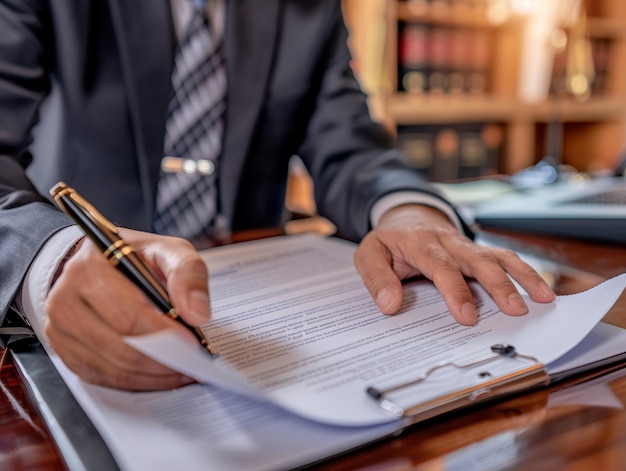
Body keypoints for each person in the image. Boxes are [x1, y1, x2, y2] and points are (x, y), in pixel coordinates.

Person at [0, 0, 555, 391]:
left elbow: (351, 147)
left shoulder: (307, 9)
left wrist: (413, 214)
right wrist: (55, 259)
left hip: (258, 290)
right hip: (87, 283)